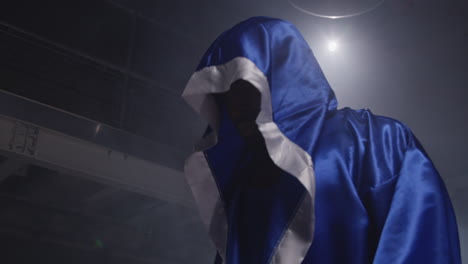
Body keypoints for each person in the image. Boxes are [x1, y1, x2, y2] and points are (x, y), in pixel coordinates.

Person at [182, 17, 461, 264]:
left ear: (283, 74)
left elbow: (420, 239)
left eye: (246, 84)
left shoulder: (372, 141)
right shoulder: (244, 187)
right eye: (223, 94)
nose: (235, 105)